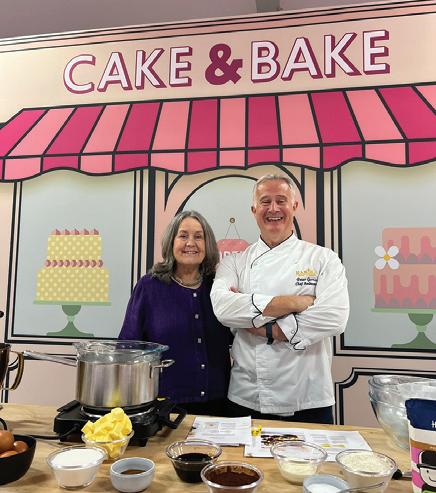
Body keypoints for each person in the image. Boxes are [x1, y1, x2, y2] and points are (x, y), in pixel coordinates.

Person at [210, 174, 349, 424]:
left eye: (281, 200)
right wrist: (296, 303)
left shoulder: (323, 259)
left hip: (308, 396)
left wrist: (267, 329)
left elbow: (334, 317)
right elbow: (223, 308)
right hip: (247, 395)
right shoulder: (234, 263)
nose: (273, 208)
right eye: (265, 201)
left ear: (294, 206)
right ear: (254, 209)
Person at [119, 210, 231, 416]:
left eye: (199, 237)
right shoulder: (149, 287)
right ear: (171, 242)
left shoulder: (219, 287)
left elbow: (239, 337)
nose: (191, 243)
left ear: (208, 244)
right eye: (183, 235)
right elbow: (128, 346)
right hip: (165, 406)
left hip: (219, 404)